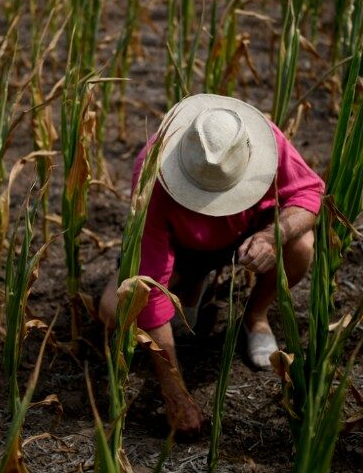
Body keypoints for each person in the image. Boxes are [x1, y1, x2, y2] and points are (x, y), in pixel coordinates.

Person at [98, 93, 323, 438]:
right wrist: (174, 390)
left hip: (248, 235)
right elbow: (150, 285)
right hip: (181, 248)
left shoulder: (263, 139)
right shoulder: (152, 173)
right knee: (115, 309)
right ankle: (192, 282)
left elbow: (308, 193)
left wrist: (272, 234)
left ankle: (255, 317)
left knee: (301, 245)